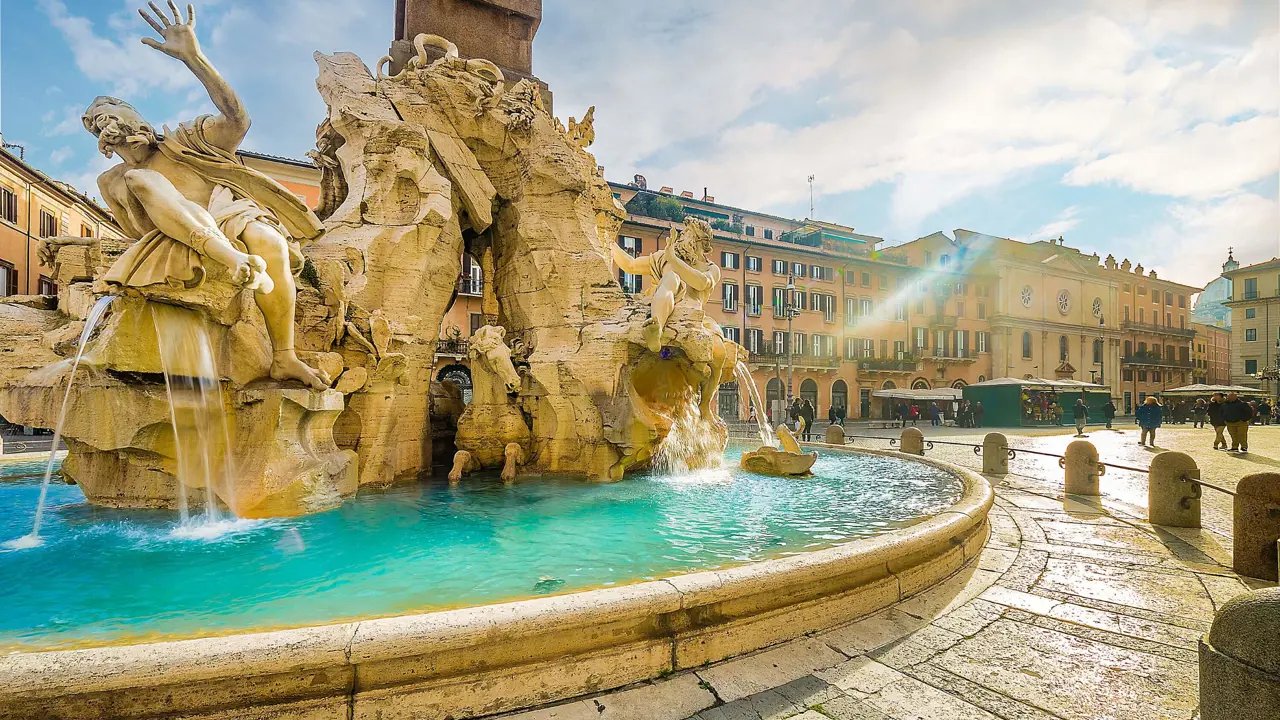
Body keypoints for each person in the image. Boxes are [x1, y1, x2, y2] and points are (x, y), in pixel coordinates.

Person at [80, 5, 329, 389]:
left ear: (138, 118)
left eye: (116, 114)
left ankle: (284, 357)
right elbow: (135, 232)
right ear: (102, 141)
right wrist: (130, 181)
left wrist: (194, 59)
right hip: (172, 238)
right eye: (100, 124)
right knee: (140, 178)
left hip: (229, 216)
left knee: (269, 241)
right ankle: (233, 260)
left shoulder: (187, 142)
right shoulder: (112, 180)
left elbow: (237, 120)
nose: (110, 124)